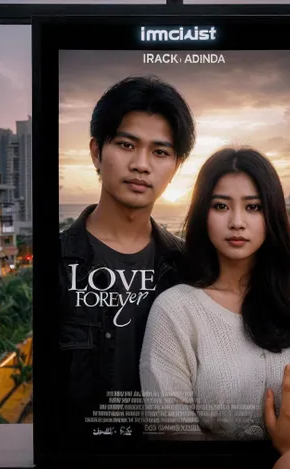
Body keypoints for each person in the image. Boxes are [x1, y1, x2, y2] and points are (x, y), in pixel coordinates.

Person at [57, 75, 195, 443]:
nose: (141, 164)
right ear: (96, 151)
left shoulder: (188, 268)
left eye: (160, 152)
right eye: (126, 144)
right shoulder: (56, 264)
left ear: (175, 166)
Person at [140, 146, 290, 440]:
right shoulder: (176, 309)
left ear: (272, 216)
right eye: (221, 206)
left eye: (253, 207)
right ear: (203, 214)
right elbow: (171, 431)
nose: (237, 222)